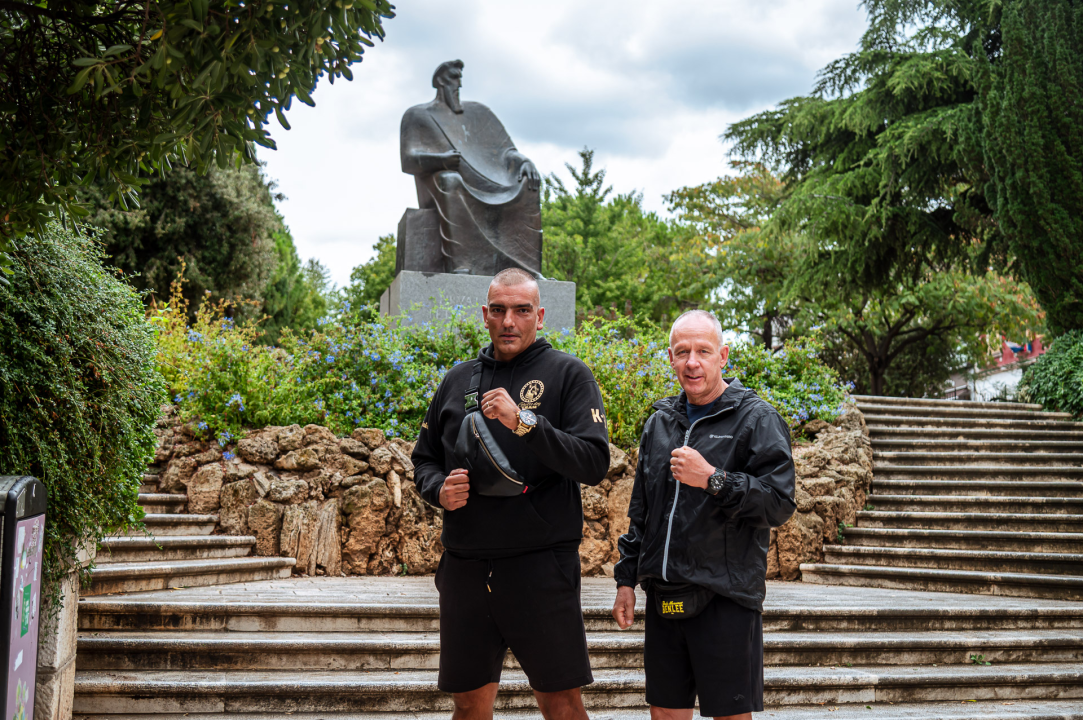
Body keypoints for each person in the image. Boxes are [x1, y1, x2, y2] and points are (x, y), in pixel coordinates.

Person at [412, 267, 611, 720]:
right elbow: (423, 460)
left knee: (560, 704)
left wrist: (523, 421)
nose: (509, 321)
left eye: (522, 311)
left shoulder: (569, 375)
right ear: (484, 315)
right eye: (499, 310)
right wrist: (437, 490)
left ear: (540, 316)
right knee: (468, 705)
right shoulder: (457, 379)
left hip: (540, 566)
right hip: (465, 566)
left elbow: (594, 462)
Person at [611, 310, 796, 720]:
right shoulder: (660, 422)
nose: (692, 361)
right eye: (683, 352)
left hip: (725, 600)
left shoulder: (757, 419)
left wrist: (713, 479)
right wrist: (626, 581)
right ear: (671, 359)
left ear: (723, 356)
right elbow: (642, 510)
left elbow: (779, 503)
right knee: (665, 715)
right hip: (665, 597)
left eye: (703, 351)